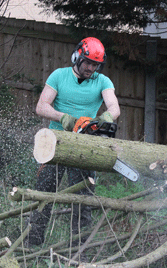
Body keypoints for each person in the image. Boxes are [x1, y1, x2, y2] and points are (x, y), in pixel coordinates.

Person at [28, 37, 120, 247]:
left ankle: (79, 252)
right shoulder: (59, 76)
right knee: (43, 196)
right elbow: (41, 106)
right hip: (55, 144)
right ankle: (32, 245)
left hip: (85, 146)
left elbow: (114, 107)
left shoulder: (102, 81)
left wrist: (104, 119)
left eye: (95, 64)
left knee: (83, 202)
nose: (90, 67)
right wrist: (64, 119)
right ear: (77, 57)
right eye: (87, 62)